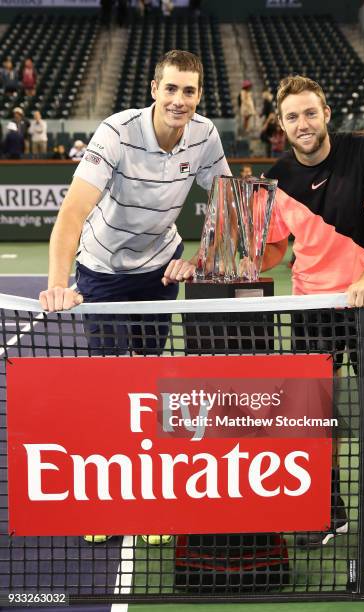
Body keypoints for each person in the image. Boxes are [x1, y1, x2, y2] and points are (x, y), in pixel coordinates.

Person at [39, 50, 230, 543]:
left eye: (189, 91)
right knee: (107, 388)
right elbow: (72, 215)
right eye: (171, 88)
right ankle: (105, 504)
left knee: (149, 388)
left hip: (157, 274)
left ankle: (146, 499)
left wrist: (202, 257)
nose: (179, 100)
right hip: (100, 270)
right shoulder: (117, 132)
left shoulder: (205, 135)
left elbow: (230, 206)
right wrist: (59, 284)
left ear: (200, 95)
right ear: (153, 89)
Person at [262, 75, 364, 545]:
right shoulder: (278, 177)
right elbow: (276, 252)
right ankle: (327, 511)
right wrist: (222, 262)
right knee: (312, 416)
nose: (302, 123)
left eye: (309, 113)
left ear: (326, 114)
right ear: (280, 124)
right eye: (292, 117)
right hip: (313, 306)